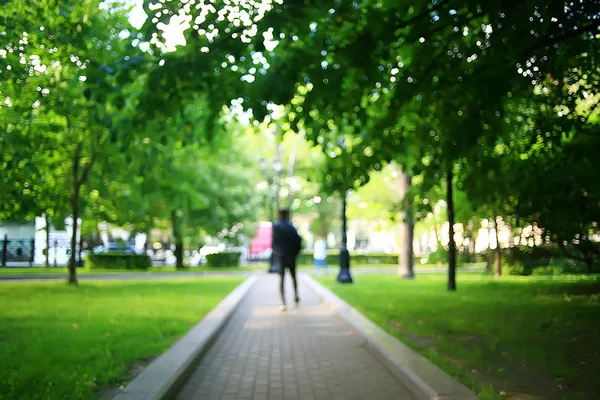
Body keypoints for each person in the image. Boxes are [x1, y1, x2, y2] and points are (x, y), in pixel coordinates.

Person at [272, 209, 302, 311]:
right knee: (293, 277)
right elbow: (299, 241)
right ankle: (296, 297)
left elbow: (274, 242)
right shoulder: (291, 227)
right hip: (291, 256)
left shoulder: (276, 227)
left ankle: (283, 302)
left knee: (282, 278)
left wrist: (277, 253)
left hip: (281, 257)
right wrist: (295, 253)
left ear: (280, 215)